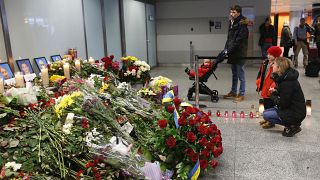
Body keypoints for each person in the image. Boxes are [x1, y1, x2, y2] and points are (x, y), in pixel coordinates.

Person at [262, 57, 306, 137]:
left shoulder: (287, 83)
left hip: (295, 113)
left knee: (266, 115)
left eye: (274, 64)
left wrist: (273, 95)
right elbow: (286, 96)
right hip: (294, 109)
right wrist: (277, 91)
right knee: (267, 112)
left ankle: (292, 125)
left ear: (279, 68)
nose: (272, 65)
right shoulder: (285, 78)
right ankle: (292, 123)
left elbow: (283, 104)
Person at [221, 5, 249, 102]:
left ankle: (241, 94)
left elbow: (239, 40)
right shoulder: (232, 22)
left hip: (240, 52)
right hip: (232, 52)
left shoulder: (242, 24)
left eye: (233, 12)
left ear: (238, 13)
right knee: (234, 74)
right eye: (231, 12)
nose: (231, 14)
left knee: (241, 74)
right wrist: (225, 49)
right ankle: (233, 91)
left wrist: (229, 50)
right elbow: (229, 38)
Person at [256, 46, 282, 128]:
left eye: (271, 54)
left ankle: (271, 122)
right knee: (265, 104)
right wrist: (259, 83)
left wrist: (273, 87)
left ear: (276, 56)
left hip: (271, 89)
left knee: (271, 105)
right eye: (268, 53)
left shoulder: (277, 65)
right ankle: (267, 119)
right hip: (264, 87)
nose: (268, 56)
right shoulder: (265, 62)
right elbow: (261, 74)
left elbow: (277, 78)